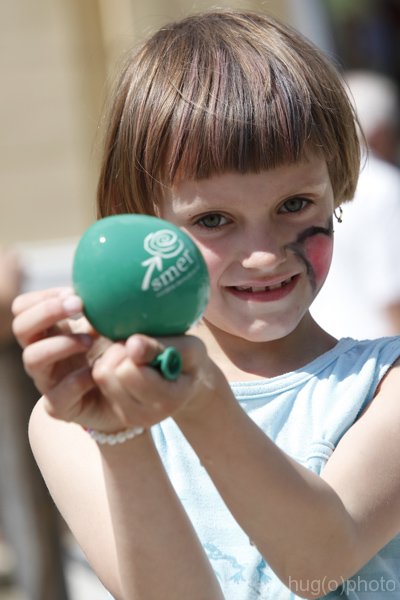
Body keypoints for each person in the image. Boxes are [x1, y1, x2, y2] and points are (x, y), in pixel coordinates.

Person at [11, 10, 400, 600]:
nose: (263, 255)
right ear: (143, 224)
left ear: (338, 189)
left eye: (294, 205)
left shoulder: (383, 387)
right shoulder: (73, 422)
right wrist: (123, 436)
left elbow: (321, 558)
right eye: (213, 220)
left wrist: (201, 401)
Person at [311, 70, 400, 339]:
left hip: (321, 347)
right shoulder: (383, 184)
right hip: (378, 349)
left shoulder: (312, 178)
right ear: (381, 132)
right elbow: (392, 291)